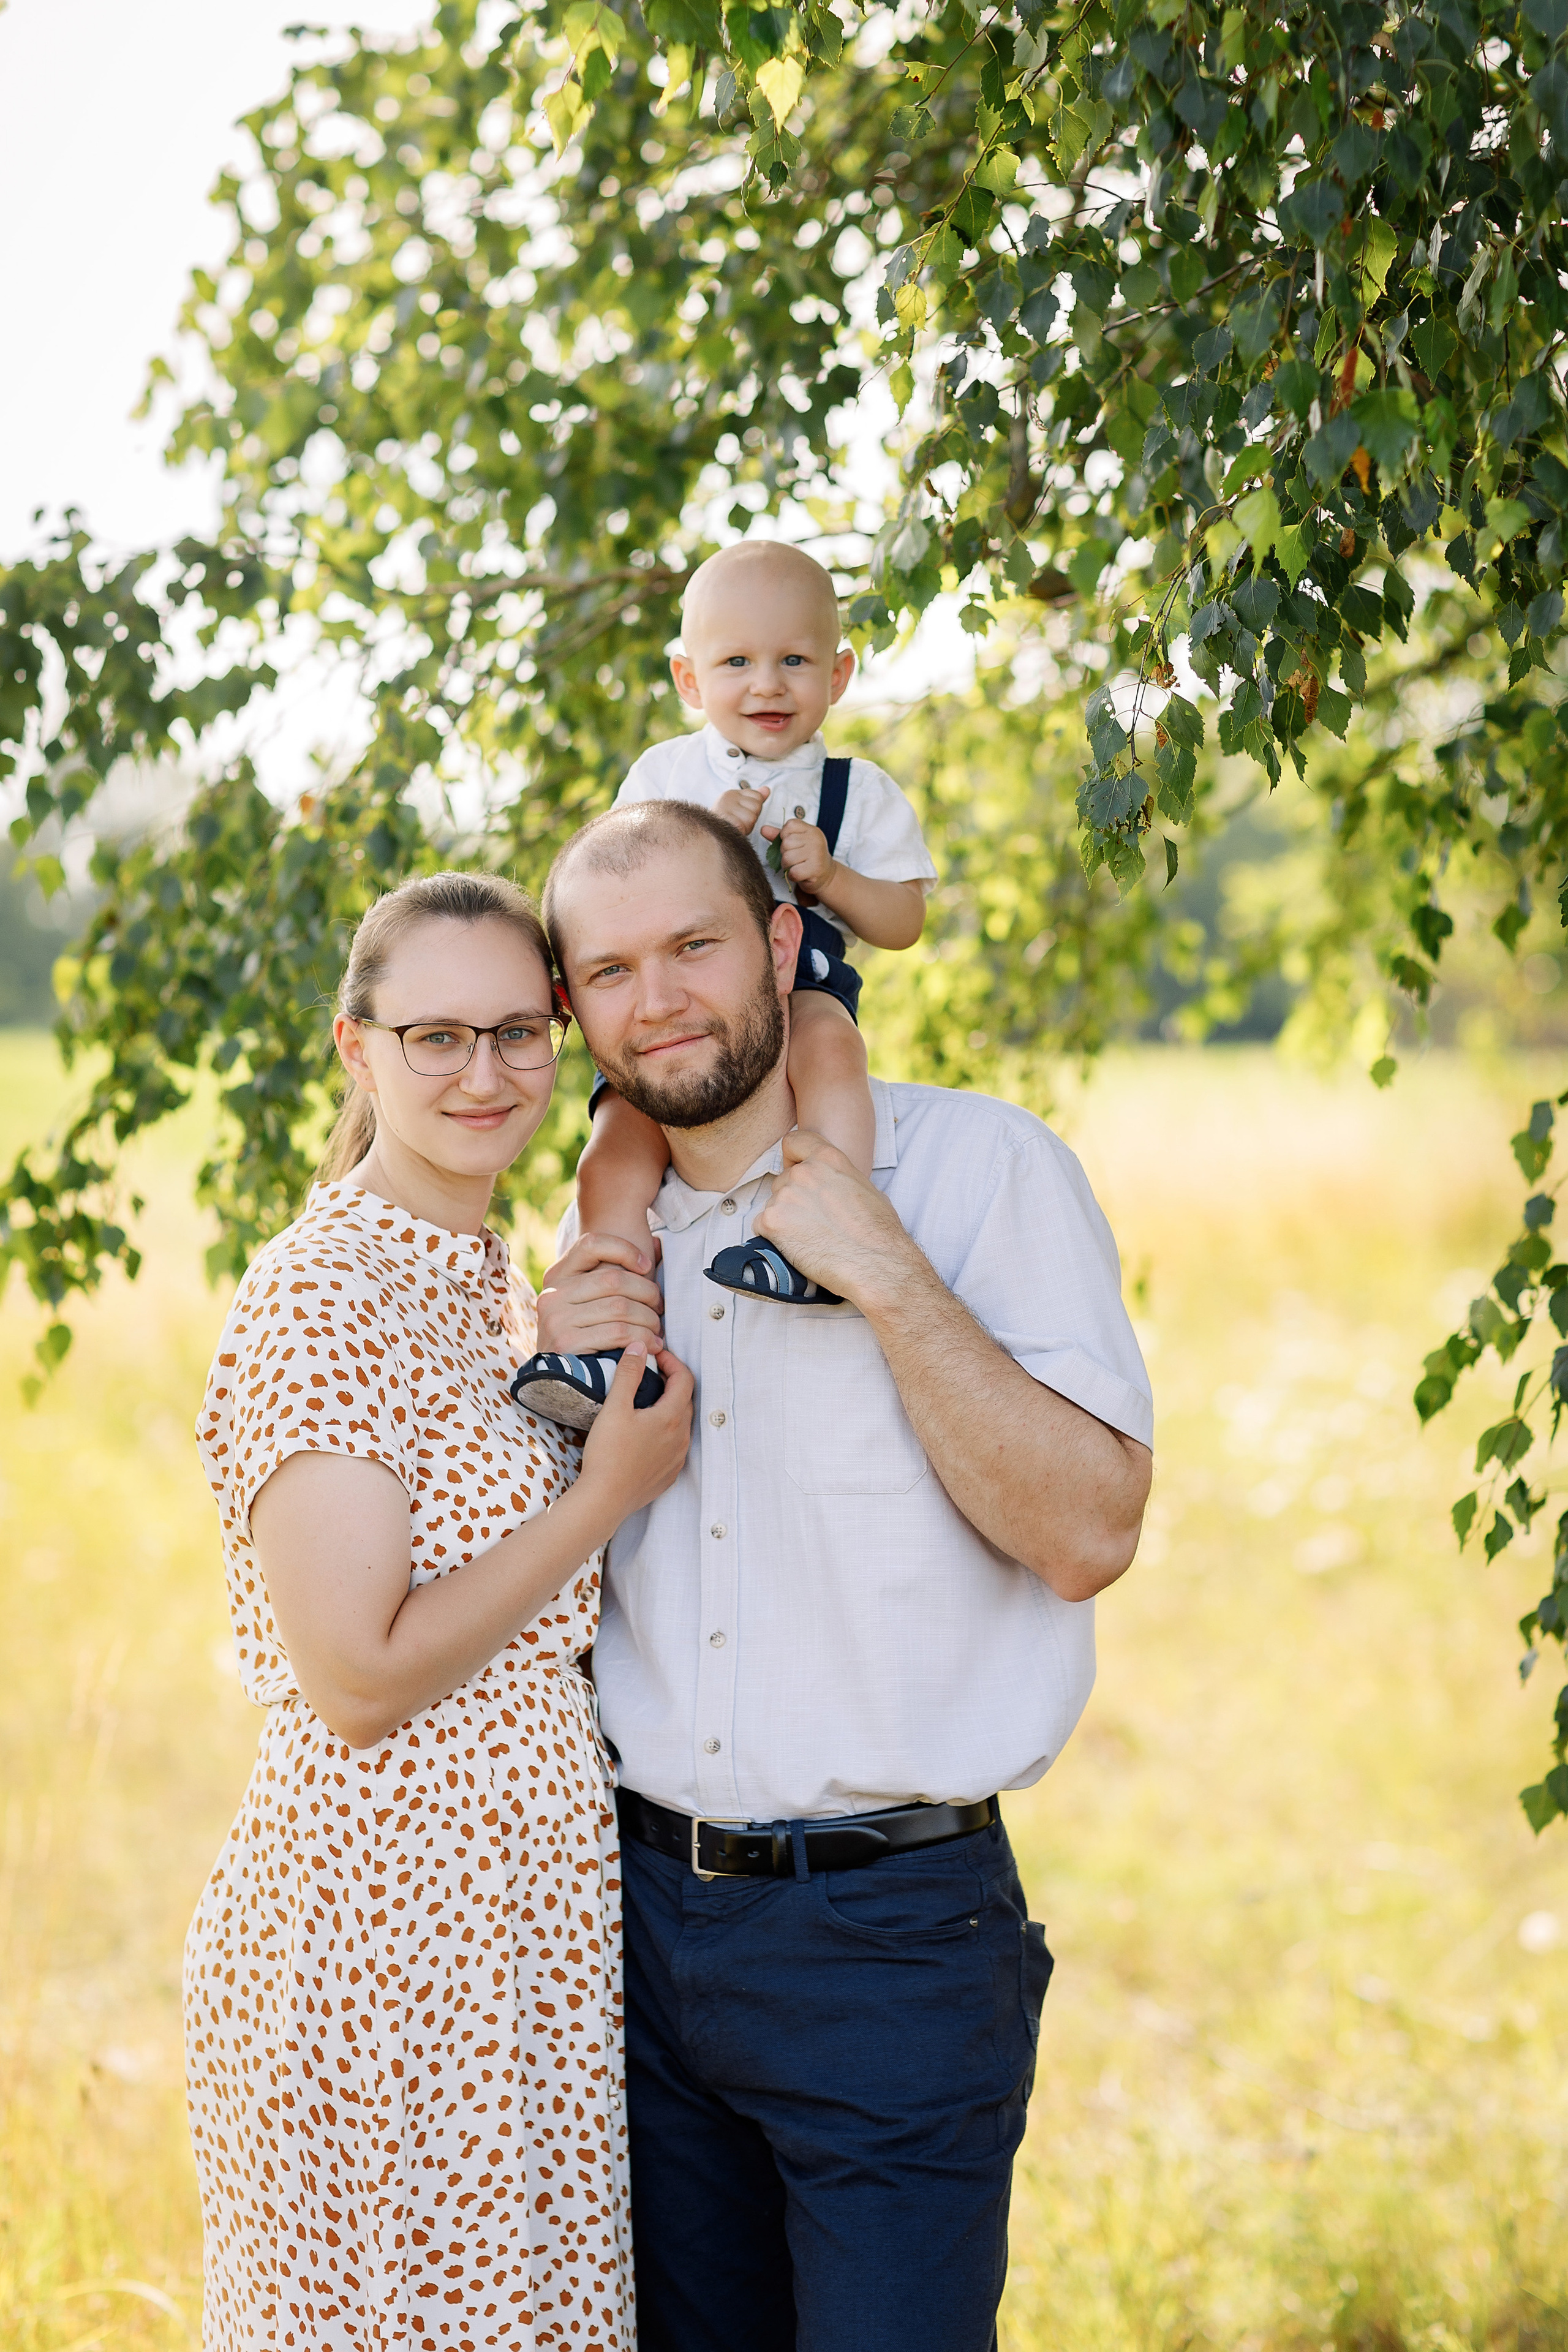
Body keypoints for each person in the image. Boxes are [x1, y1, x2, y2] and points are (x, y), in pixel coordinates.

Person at [531, 801, 1155, 2352]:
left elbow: (1087, 1532)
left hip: (889, 1944)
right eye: (609, 970)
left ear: (783, 943)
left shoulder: (983, 1173)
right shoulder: (591, 1256)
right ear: (571, 1008)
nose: (657, 999)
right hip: (630, 1927)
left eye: (692, 946)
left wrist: (877, 1264)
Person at [185, 870, 693, 2352]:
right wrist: (603, 1493)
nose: (486, 1075)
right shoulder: (318, 1298)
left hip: (521, 1944)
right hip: (381, 1952)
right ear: (356, 1047)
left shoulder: (481, 1285)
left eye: (520, 1035)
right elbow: (357, 1675)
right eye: (435, 1039)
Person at [511, 539, 937, 1428]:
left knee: (831, 1055)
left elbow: (902, 920)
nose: (768, 686)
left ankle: (822, 1235)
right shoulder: (670, 775)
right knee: (619, 1139)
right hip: (690, 1003)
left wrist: (831, 880)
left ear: (840, 673)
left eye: (795, 661)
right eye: (737, 662)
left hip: (807, 971)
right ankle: (605, 1323)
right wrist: (704, 834)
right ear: (691, 679)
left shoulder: (855, 792)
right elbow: (618, 885)